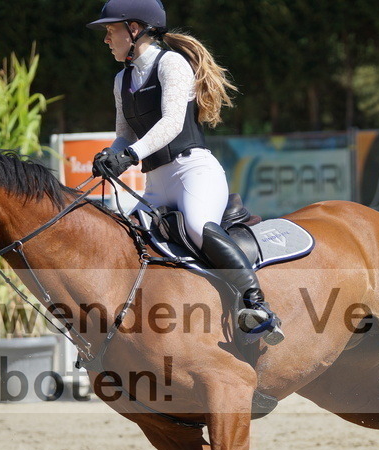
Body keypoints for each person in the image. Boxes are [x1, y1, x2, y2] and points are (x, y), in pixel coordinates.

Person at [88, 0, 284, 345]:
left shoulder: (172, 64)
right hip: (156, 184)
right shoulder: (121, 79)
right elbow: (124, 134)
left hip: (193, 172)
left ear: (135, 29)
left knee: (196, 227)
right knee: (125, 238)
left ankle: (258, 305)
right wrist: (111, 154)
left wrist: (129, 155)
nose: (106, 38)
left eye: (111, 30)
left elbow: (171, 123)